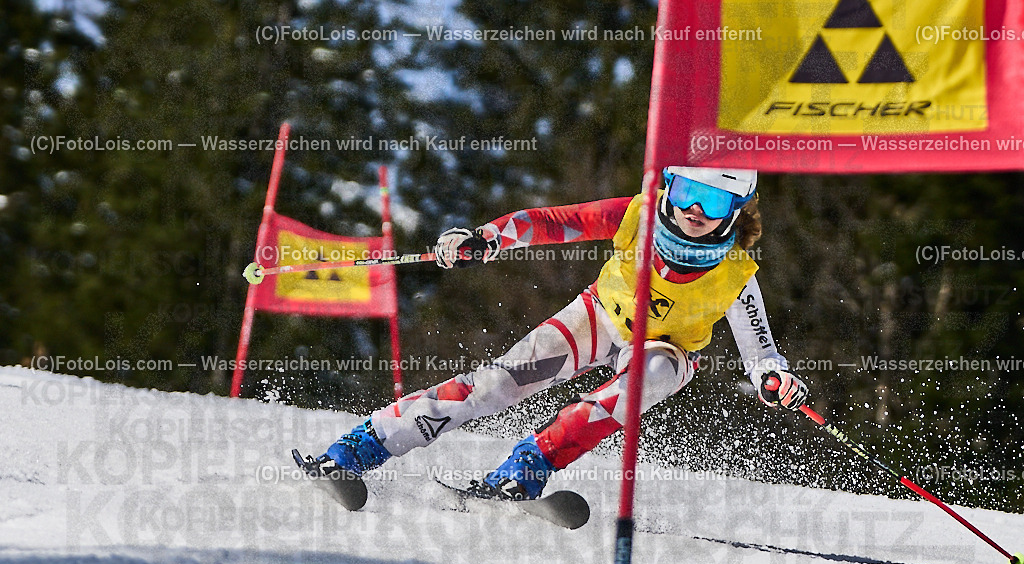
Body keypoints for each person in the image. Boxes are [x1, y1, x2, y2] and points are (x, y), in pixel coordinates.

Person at [296, 167, 809, 500]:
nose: (696, 211)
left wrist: (774, 378)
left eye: (715, 204)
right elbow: (553, 222)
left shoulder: (738, 273)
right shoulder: (637, 216)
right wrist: (486, 238)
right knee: (496, 385)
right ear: (671, 188)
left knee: (650, 374)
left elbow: (761, 351)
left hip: (667, 348)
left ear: (737, 210)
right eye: (691, 193)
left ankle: (529, 465)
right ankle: (362, 446)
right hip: (600, 316)